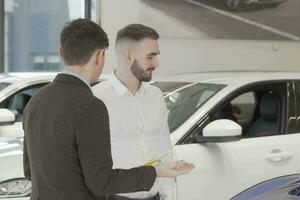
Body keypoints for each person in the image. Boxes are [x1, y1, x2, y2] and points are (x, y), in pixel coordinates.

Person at [22, 19, 194, 200]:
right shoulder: (91, 104)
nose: (156, 63)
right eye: (151, 56)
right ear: (99, 56)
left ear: (61, 53)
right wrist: (154, 171)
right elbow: (101, 181)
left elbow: (30, 171)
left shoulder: (35, 101)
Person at [93, 24, 179, 200]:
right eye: (150, 57)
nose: (156, 64)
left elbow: (164, 148)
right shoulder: (96, 99)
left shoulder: (155, 96)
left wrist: (167, 194)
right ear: (128, 55)